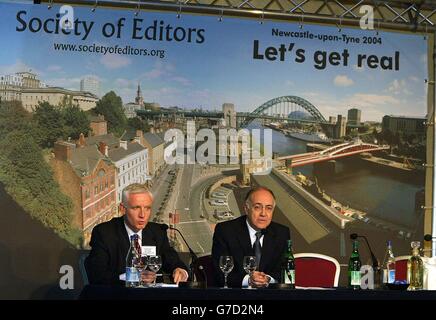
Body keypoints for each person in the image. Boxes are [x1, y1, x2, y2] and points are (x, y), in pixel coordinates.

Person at [85, 183, 188, 285]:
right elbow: (96, 275)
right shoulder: (104, 232)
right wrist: (132, 276)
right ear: (122, 209)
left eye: (147, 208)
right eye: (136, 208)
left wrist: (180, 270)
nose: (142, 215)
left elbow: (171, 259)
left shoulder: (157, 231)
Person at [211, 186, 291, 288]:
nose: (263, 213)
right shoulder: (226, 231)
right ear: (246, 208)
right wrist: (249, 280)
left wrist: (268, 279)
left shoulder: (282, 233)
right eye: (257, 207)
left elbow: (285, 272)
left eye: (269, 208)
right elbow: (220, 273)